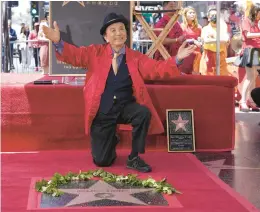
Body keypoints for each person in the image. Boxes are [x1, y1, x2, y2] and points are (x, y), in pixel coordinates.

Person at [42, 13, 197, 173]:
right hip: (102, 111)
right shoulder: (94, 53)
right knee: (102, 162)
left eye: (122, 29)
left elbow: (157, 69)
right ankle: (111, 139)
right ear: (106, 36)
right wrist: (57, 41)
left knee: (143, 113)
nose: (118, 33)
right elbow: (74, 55)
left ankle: (134, 157)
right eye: (113, 30)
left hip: (125, 107)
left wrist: (177, 58)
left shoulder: (135, 57)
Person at [239, 3, 260, 112]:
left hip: (257, 50)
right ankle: (242, 101)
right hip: (250, 49)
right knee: (250, 76)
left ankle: (251, 101)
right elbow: (248, 35)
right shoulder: (246, 20)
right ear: (255, 11)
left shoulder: (258, 22)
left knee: (254, 76)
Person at [200, 6, 230, 76]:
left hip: (220, 56)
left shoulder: (222, 27)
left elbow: (225, 39)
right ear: (208, 18)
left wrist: (213, 39)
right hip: (209, 56)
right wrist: (219, 39)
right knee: (209, 79)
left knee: (222, 78)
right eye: (212, 15)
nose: (214, 17)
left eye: (216, 15)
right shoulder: (205, 29)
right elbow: (206, 41)